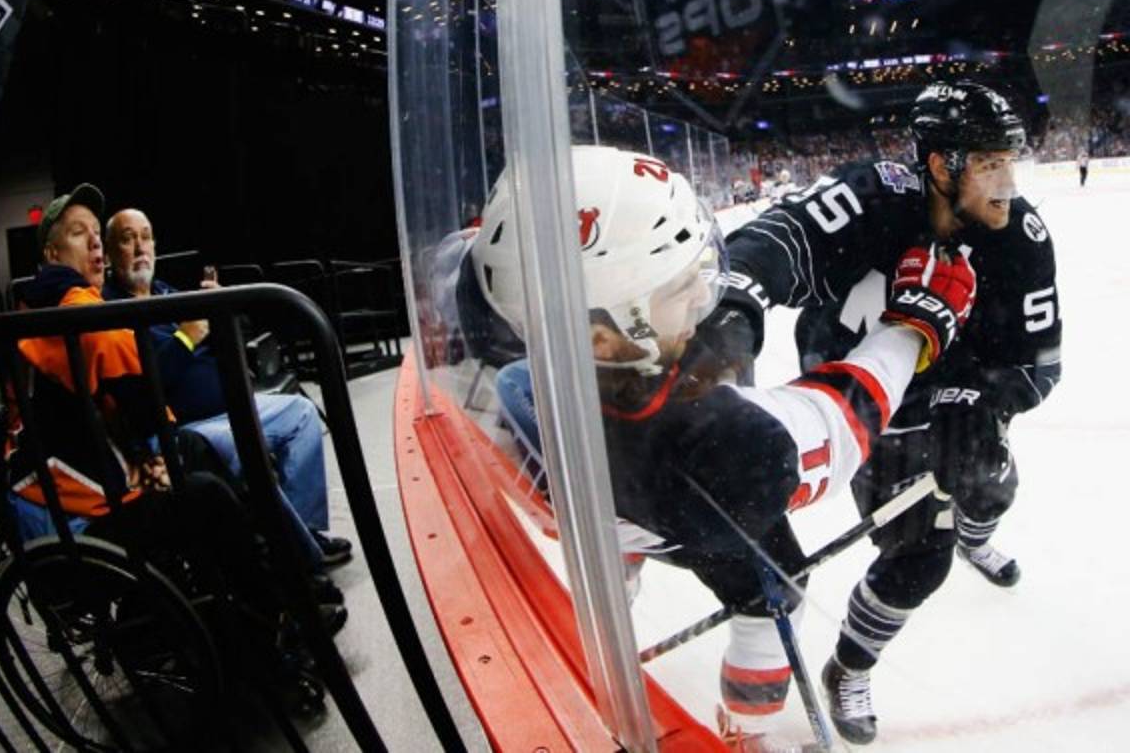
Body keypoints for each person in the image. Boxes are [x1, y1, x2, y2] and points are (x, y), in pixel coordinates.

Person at [469, 145, 978, 746]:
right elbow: (836, 423)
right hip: (669, 514)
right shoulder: (721, 449)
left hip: (596, 506)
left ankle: (614, 588)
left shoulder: (510, 323)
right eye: (677, 288)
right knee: (780, 592)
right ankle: (747, 728)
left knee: (628, 546)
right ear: (600, 338)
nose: (701, 300)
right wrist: (914, 326)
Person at [692, 81, 1061, 743]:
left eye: (1010, 161)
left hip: (956, 395)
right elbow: (778, 239)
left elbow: (1039, 362)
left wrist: (985, 403)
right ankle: (850, 667)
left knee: (991, 486)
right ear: (941, 164)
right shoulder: (872, 196)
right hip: (862, 405)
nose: (1008, 184)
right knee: (922, 557)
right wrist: (733, 307)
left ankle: (976, 531)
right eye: (988, 164)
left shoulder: (1022, 238)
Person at [7, 184, 347, 632]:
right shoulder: (72, 307)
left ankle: (288, 576)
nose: (94, 243)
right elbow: (145, 396)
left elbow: (129, 402)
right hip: (80, 517)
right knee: (206, 489)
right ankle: (275, 613)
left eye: (95, 231)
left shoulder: (120, 297)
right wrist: (188, 338)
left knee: (209, 450)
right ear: (53, 254)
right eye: (79, 233)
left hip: (115, 464)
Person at [102, 208, 352, 573]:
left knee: (301, 413)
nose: (141, 247)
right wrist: (187, 336)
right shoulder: (109, 311)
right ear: (110, 253)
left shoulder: (166, 292)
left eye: (146, 236)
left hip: (230, 406)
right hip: (187, 429)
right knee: (246, 443)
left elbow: (218, 347)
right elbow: (147, 387)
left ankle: (304, 534)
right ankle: (297, 557)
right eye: (128, 239)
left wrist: (222, 314)